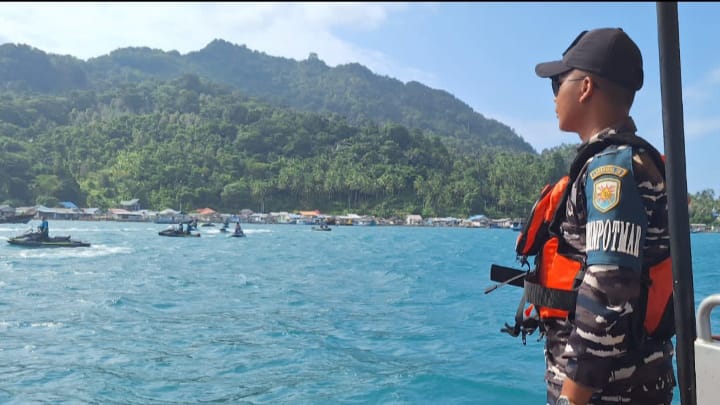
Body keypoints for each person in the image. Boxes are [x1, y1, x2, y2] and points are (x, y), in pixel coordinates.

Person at [508, 28, 676, 405]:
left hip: (608, 395)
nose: (554, 96)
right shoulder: (616, 163)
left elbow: (608, 296)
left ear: (585, 88)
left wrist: (570, 399)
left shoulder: (611, 172)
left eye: (557, 83)